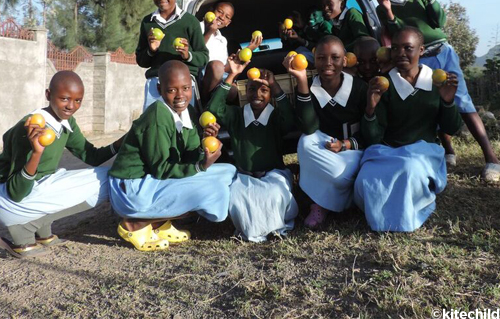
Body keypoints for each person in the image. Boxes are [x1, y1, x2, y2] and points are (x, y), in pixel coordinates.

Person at [374, 0, 500, 181]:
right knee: (431, 103)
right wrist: (389, 13)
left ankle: (491, 158)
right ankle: (449, 151)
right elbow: (395, 36)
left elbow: (439, 20)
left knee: (461, 100)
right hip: (415, 59)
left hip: (441, 53)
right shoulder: (382, 5)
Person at [108, 60, 236, 252]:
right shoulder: (158, 115)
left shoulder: (188, 111)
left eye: (185, 88)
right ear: (159, 89)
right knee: (214, 191)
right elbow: (162, 169)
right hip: (133, 189)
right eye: (171, 90)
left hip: (151, 180)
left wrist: (204, 144)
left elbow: (189, 155)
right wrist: (200, 167)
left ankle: (160, 223)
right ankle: (135, 223)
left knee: (228, 171)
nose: (180, 96)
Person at [0, 71, 121, 259]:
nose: (71, 106)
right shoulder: (30, 128)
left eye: (78, 100)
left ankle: (42, 230)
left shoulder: (65, 121)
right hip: (9, 200)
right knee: (108, 180)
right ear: (48, 95)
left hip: (32, 189)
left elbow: (92, 156)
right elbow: (16, 191)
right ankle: (22, 228)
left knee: (97, 174)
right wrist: (37, 152)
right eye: (64, 98)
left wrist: (121, 143)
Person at [354, 27, 463, 232]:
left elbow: (452, 127)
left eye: (408, 48)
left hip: (423, 151)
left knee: (409, 168)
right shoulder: (384, 84)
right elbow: (374, 137)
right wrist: (370, 108)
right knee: (367, 178)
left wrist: (448, 102)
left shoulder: (436, 81)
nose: (400, 53)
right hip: (388, 151)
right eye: (395, 48)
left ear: (421, 50)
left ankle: (400, 219)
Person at [206, 57, 298, 242]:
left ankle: (276, 229)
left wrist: (276, 85)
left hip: (273, 173)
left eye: (264, 90)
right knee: (238, 197)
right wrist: (232, 74)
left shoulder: (275, 116)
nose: (257, 94)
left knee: (274, 194)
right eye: (252, 89)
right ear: (245, 92)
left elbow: (290, 121)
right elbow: (214, 108)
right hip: (244, 176)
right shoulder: (236, 115)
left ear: (271, 95)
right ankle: (248, 231)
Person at [285, 35, 367, 229]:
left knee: (339, 172)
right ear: (314, 59)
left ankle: (329, 203)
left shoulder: (359, 88)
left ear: (345, 60)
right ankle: (322, 204)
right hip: (323, 148)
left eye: (335, 57)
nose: (328, 63)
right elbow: (308, 127)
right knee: (305, 142)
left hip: (352, 148)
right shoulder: (310, 86)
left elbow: (371, 131)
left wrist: (346, 144)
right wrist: (302, 80)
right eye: (321, 58)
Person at [136, 0, 209, 111]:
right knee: (153, 125)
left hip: (183, 84)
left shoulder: (190, 22)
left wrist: (187, 55)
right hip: (156, 84)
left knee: (184, 126)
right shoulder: (147, 22)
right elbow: (141, 61)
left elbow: (203, 57)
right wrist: (151, 51)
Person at [200, 1, 262, 103]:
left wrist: (249, 49)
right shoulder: (197, 27)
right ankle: (204, 103)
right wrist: (209, 31)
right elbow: (196, 50)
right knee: (216, 65)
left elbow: (224, 69)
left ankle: (215, 108)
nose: (222, 17)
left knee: (233, 90)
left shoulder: (222, 40)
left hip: (217, 82)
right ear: (211, 11)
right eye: (219, 12)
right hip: (201, 81)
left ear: (228, 23)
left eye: (227, 17)